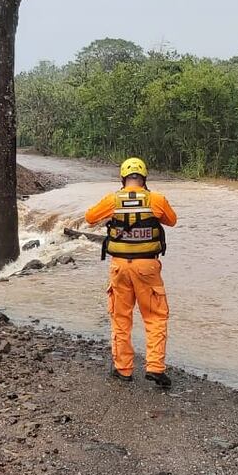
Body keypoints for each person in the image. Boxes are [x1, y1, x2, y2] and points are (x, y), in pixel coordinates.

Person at [85, 157, 178, 388]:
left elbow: (89, 218)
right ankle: (155, 367)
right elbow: (172, 221)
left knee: (121, 317)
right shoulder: (156, 199)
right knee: (155, 317)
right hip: (147, 266)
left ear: (123, 178)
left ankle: (123, 369)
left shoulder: (112, 200)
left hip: (119, 267)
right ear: (144, 178)